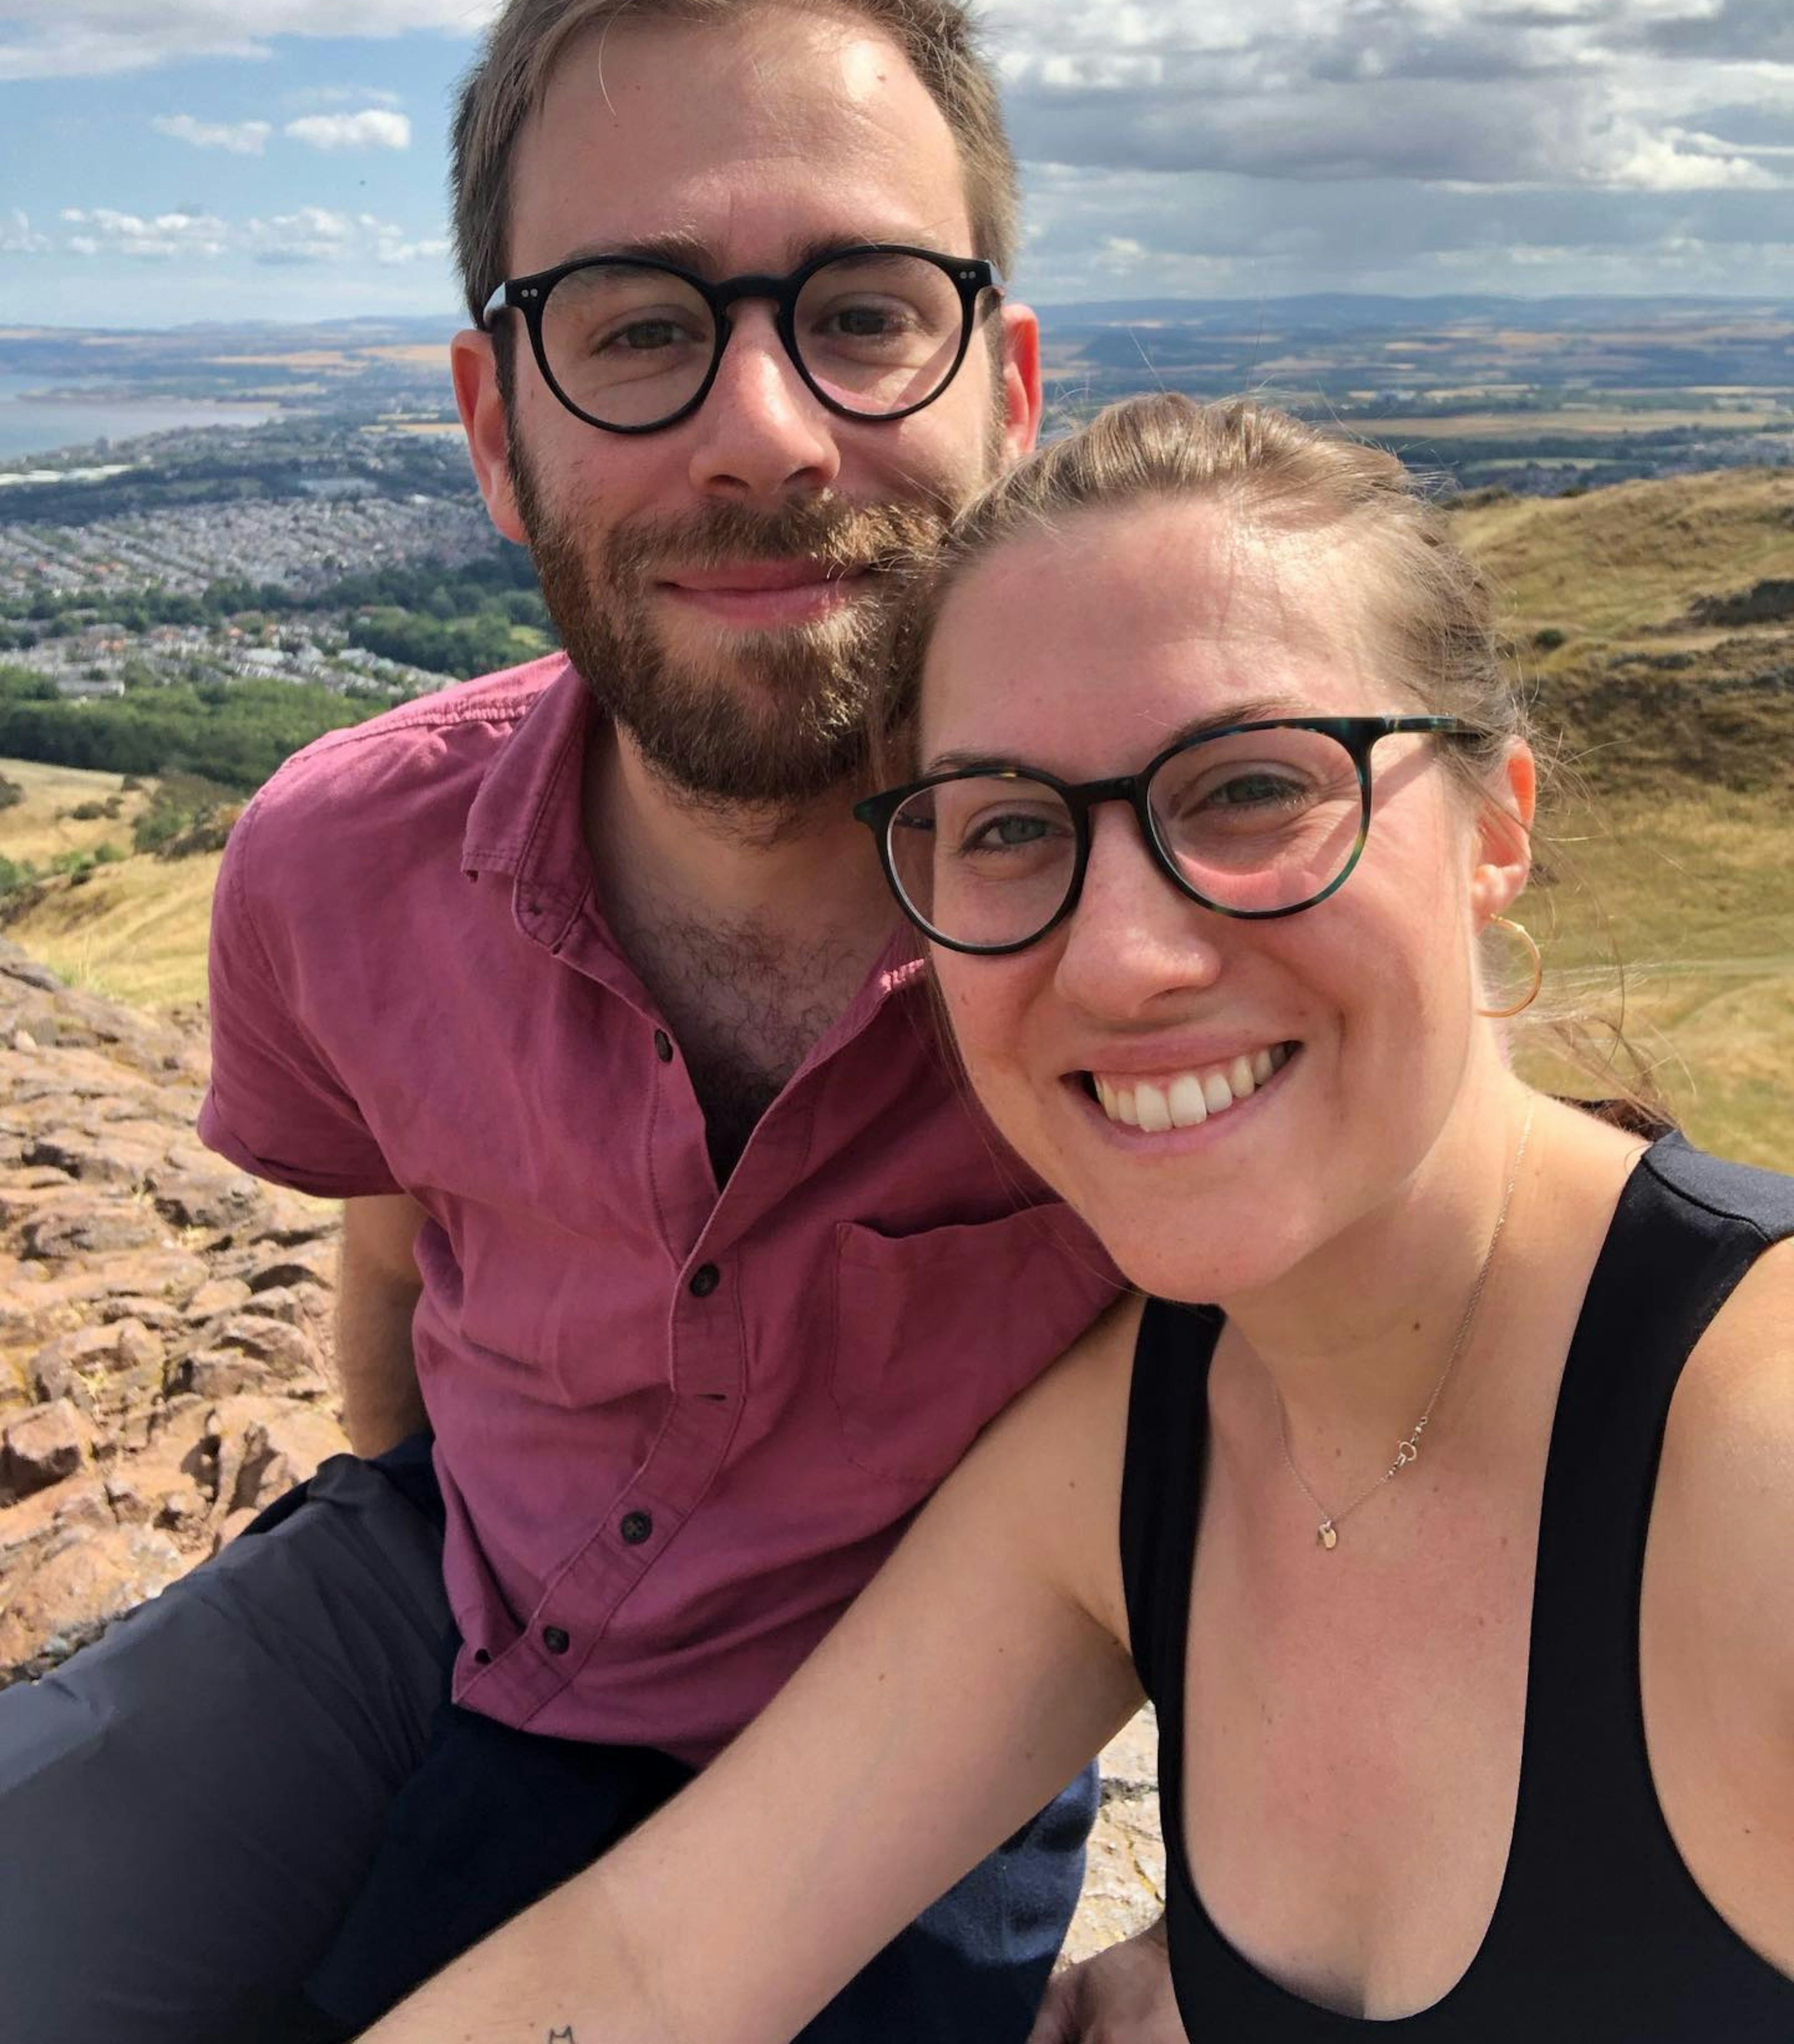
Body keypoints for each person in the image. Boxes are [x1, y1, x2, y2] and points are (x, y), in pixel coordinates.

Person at [0, 0, 1186, 2044]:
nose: (763, 429)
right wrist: (399, 1519)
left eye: (862, 311)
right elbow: (391, 1258)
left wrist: (1226, 1952)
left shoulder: (1151, 941)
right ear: (490, 426)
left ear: (1007, 392)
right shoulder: (336, 870)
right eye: (637, 323)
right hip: (452, 1594)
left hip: (901, 1751)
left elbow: (1434, 1394)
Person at [357, 393, 1794, 2044]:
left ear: (1496, 829)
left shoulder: (1757, 1463)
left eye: (1253, 789)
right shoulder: (1143, 1446)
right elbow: (653, 1964)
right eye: (1014, 829)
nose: (1119, 959)